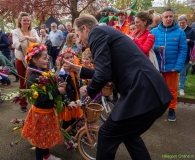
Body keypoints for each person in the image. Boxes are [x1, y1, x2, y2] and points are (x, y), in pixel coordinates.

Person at [62, 14, 173, 160]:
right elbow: (107, 71)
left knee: (106, 134)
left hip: (142, 93)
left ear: (85, 28)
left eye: (77, 34)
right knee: (130, 135)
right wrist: (78, 69)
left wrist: (88, 91)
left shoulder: (96, 32)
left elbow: (103, 74)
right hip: (152, 92)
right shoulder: (106, 33)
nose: (79, 40)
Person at [22, 43, 66, 160]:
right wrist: (57, 91)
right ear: (35, 60)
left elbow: (49, 90)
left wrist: (57, 86)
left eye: (47, 57)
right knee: (40, 140)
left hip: (47, 111)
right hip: (41, 114)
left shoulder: (41, 72)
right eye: (44, 58)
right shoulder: (33, 77)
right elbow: (41, 98)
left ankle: (46, 156)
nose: (47, 60)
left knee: (46, 135)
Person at [151, 9, 187, 122]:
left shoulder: (180, 32)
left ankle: (172, 110)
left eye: (171, 16)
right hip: (157, 67)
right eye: (166, 16)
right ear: (162, 18)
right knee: (155, 89)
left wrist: (178, 66)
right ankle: (156, 109)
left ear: (173, 17)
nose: (169, 18)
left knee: (172, 90)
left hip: (172, 68)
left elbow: (183, 50)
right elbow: (150, 47)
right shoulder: (154, 32)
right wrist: (156, 48)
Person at [12, 12, 40, 112]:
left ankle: (36, 101)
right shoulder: (15, 31)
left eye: (28, 20)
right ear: (20, 21)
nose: (26, 22)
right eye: (24, 20)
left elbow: (38, 40)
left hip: (33, 60)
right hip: (20, 60)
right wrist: (25, 47)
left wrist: (26, 38)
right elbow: (15, 44)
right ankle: (23, 104)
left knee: (34, 80)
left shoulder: (32, 31)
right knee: (23, 81)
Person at [56, 49, 83, 131]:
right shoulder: (62, 73)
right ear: (62, 60)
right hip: (68, 101)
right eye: (67, 58)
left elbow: (79, 83)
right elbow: (63, 90)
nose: (70, 59)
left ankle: (73, 130)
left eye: (71, 57)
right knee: (67, 120)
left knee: (74, 118)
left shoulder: (75, 70)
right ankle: (67, 134)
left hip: (75, 98)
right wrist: (67, 102)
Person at [177, 15, 195, 96]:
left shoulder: (191, 31)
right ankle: (176, 85)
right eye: (180, 23)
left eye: (183, 23)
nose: (181, 25)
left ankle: (181, 88)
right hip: (176, 54)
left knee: (183, 72)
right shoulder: (176, 30)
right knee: (178, 72)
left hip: (186, 55)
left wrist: (189, 41)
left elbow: (194, 43)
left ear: (186, 22)